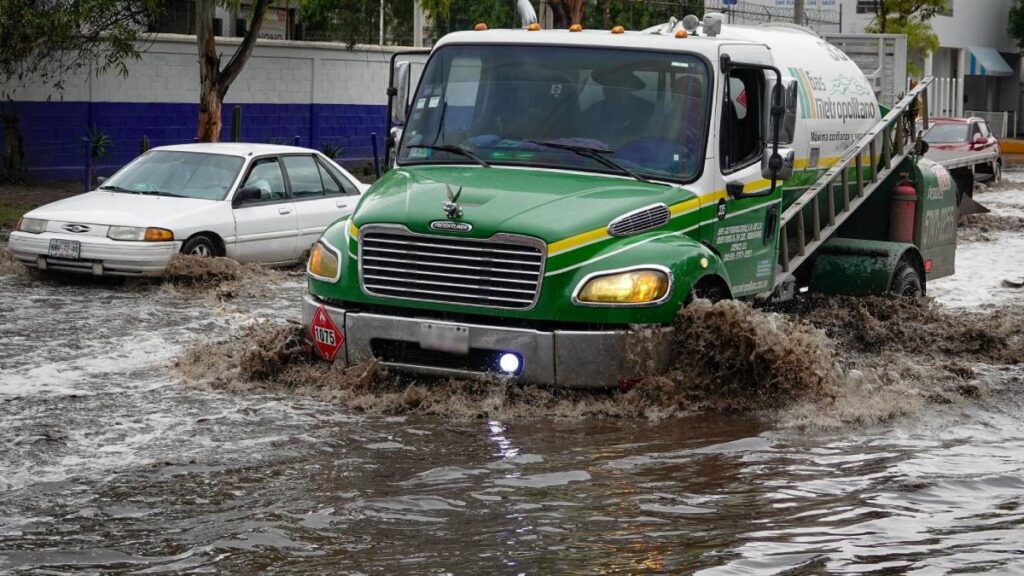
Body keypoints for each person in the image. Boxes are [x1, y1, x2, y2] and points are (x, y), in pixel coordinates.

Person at [577, 68, 654, 146]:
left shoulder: (648, 110)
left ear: (630, 86)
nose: (611, 88)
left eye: (617, 84)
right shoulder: (592, 111)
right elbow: (580, 140)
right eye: (607, 84)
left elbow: (653, 142)